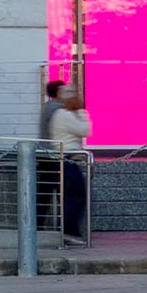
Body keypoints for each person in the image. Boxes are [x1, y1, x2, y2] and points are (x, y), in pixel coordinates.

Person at [47, 84, 92, 240]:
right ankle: (69, 232)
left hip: (65, 160)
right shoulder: (66, 115)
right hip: (67, 160)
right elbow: (86, 130)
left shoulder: (61, 114)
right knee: (76, 197)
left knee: (71, 197)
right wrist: (83, 114)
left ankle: (68, 231)